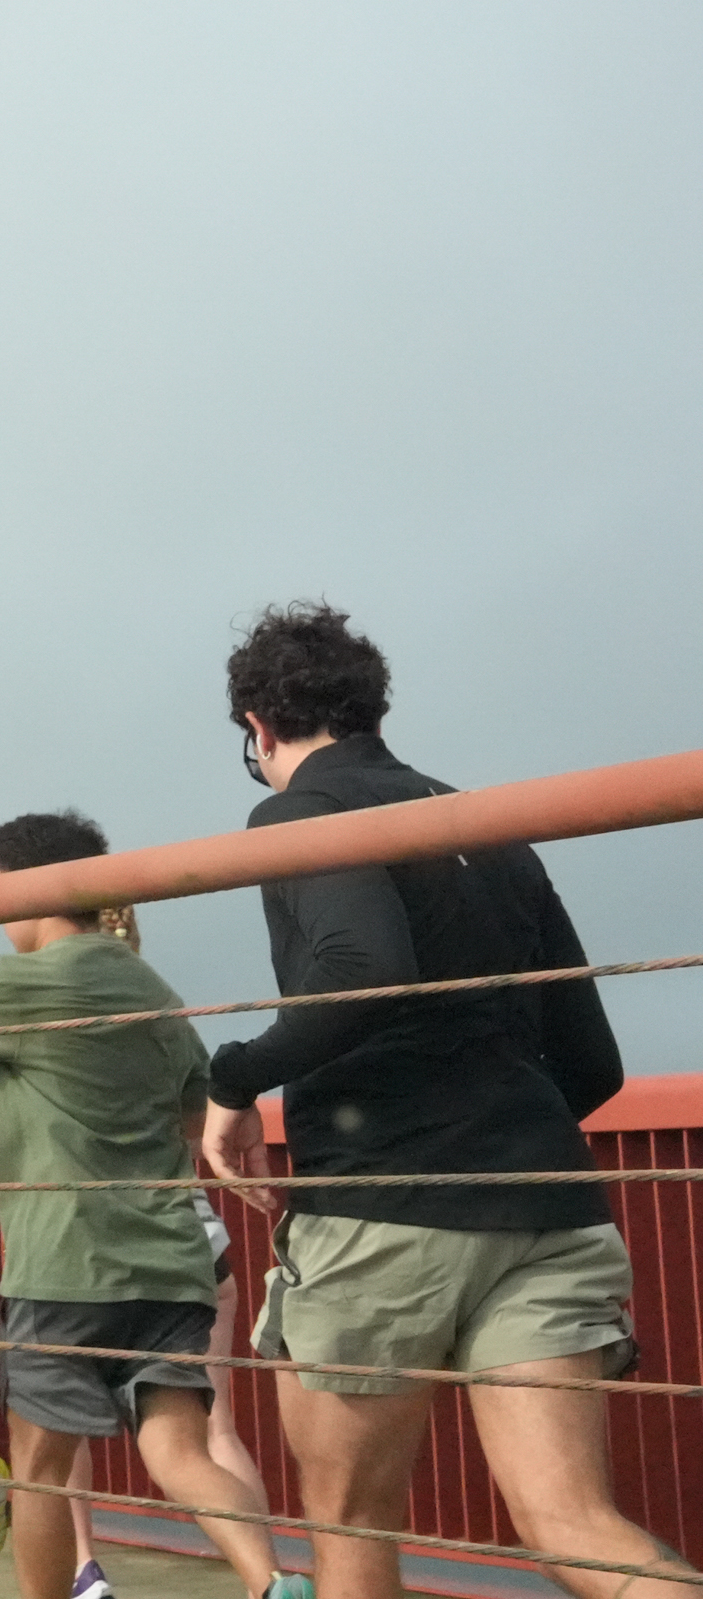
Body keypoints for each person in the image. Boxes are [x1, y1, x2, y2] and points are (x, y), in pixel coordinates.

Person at [201, 604, 667, 1599]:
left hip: (383, 1208)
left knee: (356, 1524)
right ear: (372, 706)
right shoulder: (486, 825)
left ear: (258, 725)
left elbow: (366, 966)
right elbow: (592, 1060)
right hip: (547, 1206)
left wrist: (233, 1079)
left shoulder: (297, 813)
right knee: (576, 1526)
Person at [0, 812, 304, 1599]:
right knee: (184, 1453)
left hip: (62, 1266)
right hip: (171, 1263)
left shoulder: (20, 980)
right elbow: (190, 1115)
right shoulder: (151, 989)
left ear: (31, 891)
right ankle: (272, 1582)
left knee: (39, 1470)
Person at [67, 913, 269, 1599]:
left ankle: (84, 1569)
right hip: (198, 1246)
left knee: (61, 1424)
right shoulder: (170, 1025)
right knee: (218, 1433)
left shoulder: (66, 1032)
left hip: (105, 1259)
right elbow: (201, 1123)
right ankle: (265, 1580)